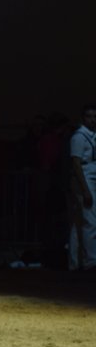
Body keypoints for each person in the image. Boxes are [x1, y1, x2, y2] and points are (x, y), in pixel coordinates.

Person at [68, 104, 96, 271]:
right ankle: (90, 261)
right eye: (89, 116)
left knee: (79, 222)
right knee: (90, 222)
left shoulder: (92, 135)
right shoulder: (79, 137)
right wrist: (85, 190)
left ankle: (74, 261)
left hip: (90, 178)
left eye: (94, 117)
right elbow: (76, 164)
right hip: (85, 180)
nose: (92, 120)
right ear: (83, 118)